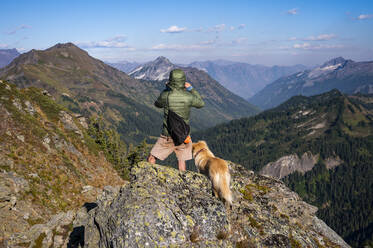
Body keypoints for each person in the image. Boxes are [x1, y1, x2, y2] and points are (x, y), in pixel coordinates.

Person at [148, 69, 205, 171]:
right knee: (181, 161)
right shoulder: (189, 96)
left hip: (168, 135)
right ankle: (182, 184)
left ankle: (149, 179)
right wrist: (191, 89)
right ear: (183, 81)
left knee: (152, 157)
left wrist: (167, 89)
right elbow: (201, 103)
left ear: (171, 80)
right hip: (183, 135)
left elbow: (157, 104)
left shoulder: (166, 95)